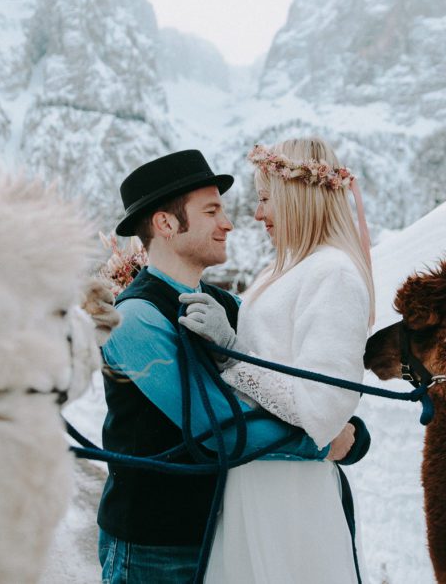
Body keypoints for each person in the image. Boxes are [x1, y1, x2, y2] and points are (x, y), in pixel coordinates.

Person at [96, 149, 361, 584]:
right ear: (166, 223)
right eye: (212, 211)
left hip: (225, 533)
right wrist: (324, 441)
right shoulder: (134, 319)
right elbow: (216, 429)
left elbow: (278, 380)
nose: (229, 223)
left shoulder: (229, 306)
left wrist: (342, 422)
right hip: (154, 545)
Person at [181, 137, 375, 583]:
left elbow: (322, 411)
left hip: (290, 497)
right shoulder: (281, 271)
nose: (258, 214)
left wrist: (230, 355)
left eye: (266, 199)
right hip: (256, 483)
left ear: (297, 197)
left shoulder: (335, 275)